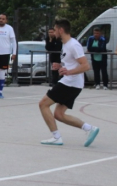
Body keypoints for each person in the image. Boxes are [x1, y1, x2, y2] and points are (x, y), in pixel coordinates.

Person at [38, 19, 99, 147]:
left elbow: (86, 66)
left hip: (70, 83)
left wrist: (69, 72)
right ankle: (89, 128)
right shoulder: (65, 45)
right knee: (59, 115)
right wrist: (60, 65)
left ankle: (56, 137)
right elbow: (72, 63)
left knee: (43, 104)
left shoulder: (73, 45)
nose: (53, 33)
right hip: (73, 84)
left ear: (61, 30)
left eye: (55, 30)